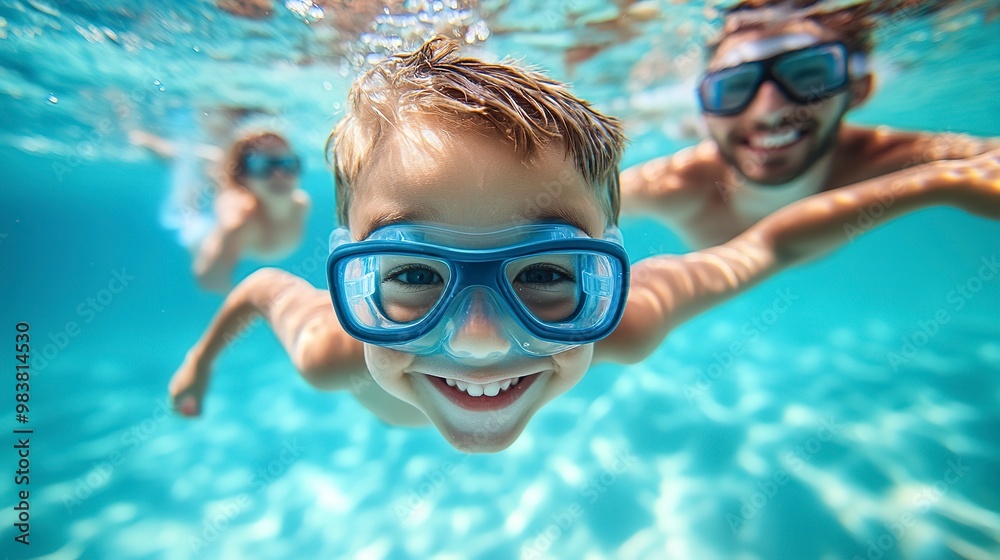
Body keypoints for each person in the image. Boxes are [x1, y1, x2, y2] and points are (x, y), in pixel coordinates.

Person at [168, 37, 1000, 453]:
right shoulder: (331, 351)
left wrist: (934, 181)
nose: (481, 340)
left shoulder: (623, 325)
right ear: (350, 273)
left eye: (548, 272)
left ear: (613, 264)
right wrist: (197, 362)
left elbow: (770, 243)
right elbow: (252, 289)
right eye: (416, 273)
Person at [620, 0, 998, 249]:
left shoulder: (897, 158)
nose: (769, 109)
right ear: (705, 109)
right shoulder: (671, 184)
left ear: (858, 89)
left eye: (808, 76)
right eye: (733, 88)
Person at [133, 125, 311, 292]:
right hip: (220, 202)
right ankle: (155, 145)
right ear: (243, 177)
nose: (279, 174)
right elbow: (208, 279)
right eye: (263, 165)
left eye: (288, 163)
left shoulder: (302, 204)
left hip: (227, 176)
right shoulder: (239, 222)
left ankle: (201, 158)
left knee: (213, 168)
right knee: (186, 172)